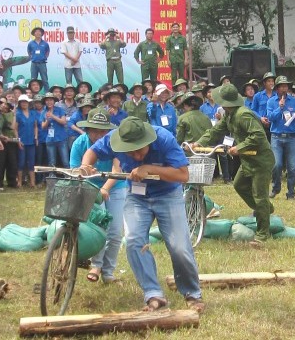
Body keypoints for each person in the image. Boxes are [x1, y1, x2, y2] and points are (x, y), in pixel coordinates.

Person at [81, 116, 204, 313]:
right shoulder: (114, 138)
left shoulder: (164, 138)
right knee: (134, 242)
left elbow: (183, 175)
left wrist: (150, 169)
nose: (136, 155)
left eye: (140, 149)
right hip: (137, 197)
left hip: (168, 195)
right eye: (130, 151)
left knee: (179, 246)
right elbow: (92, 151)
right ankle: (153, 293)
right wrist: (86, 165)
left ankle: (192, 293)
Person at [194, 83, 275, 246]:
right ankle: (266, 208)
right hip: (247, 160)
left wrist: (239, 147)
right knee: (239, 185)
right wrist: (199, 142)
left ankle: (262, 234)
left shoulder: (243, 115)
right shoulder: (229, 115)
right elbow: (215, 131)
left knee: (260, 197)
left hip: (260, 160)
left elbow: (258, 136)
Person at [69, 108, 125, 283]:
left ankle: (108, 272)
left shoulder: (116, 143)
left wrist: (106, 188)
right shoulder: (79, 144)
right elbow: (76, 171)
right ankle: (97, 264)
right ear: (87, 130)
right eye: (94, 131)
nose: (99, 135)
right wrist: (91, 183)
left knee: (115, 231)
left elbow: (118, 169)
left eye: (103, 131)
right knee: (100, 226)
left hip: (116, 185)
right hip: (90, 186)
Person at [266, 76, 295, 200]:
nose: (284, 88)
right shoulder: (271, 101)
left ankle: (291, 193)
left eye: (286, 86)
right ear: (277, 88)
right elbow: (270, 117)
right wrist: (280, 107)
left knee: (292, 167)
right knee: (277, 165)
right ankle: (276, 187)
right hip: (276, 137)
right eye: (281, 86)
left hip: (291, 137)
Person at [13, 94, 38, 188]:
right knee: (21, 162)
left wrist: (36, 137)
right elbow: (14, 128)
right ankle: (19, 182)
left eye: (26, 102)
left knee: (31, 162)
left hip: (31, 141)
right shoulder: (18, 113)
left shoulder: (33, 113)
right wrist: (18, 140)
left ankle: (33, 182)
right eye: (22, 102)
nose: (24, 103)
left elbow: (35, 126)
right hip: (22, 141)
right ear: (19, 103)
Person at [42, 92, 69, 169]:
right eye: (47, 100)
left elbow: (63, 122)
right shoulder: (44, 112)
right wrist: (47, 120)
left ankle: (69, 177)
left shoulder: (60, 110)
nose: (49, 102)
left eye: (51, 100)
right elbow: (43, 126)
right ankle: (52, 177)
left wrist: (53, 116)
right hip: (50, 140)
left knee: (65, 161)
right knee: (51, 161)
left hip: (61, 139)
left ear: (54, 101)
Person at [0, 97, 18, 189]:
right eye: (2, 103)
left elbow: (12, 127)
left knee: (12, 162)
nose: (4, 105)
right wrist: (1, 137)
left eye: (6, 104)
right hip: (0, 141)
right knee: (1, 163)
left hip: (11, 141)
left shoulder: (10, 114)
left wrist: (14, 115)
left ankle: (12, 182)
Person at [27, 27, 50, 93]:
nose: (38, 33)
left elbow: (47, 52)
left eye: (39, 31)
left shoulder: (45, 43)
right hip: (34, 64)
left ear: (42, 33)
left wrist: (44, 57)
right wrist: (32, 57)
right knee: (33, 80)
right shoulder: (31, 43)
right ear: (34, 34)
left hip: (42, 63)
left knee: (45, 80)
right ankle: (33, 94)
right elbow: (29, 51)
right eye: (36, 32)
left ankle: (47, 93)